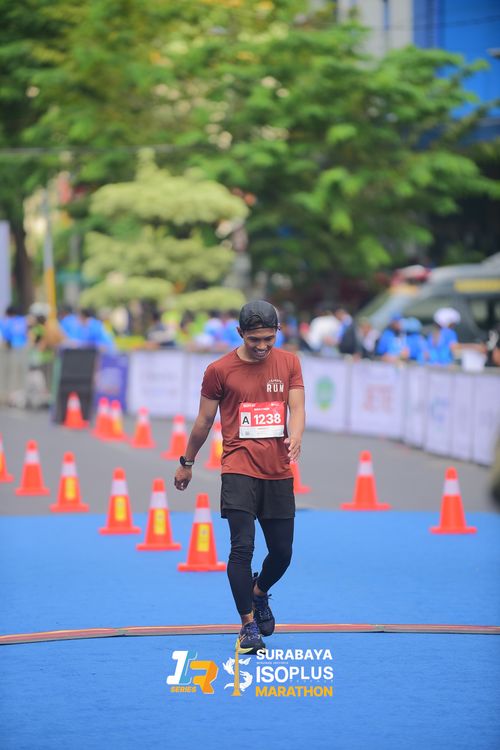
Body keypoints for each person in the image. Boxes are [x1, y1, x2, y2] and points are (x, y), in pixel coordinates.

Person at [174, 300, 305, 653]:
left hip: (278, 470)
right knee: (241, 548)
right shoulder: (219, 370)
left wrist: (296, 435)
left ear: (278, 332)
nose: (262, 346)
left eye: (268, 339)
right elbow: (204, 421)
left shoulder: (289, 363)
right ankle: (248, 625)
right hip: (238, 468)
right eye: (254, 339)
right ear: (240, 334)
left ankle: (259, 593)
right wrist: (187, 461)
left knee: (282, 552)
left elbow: (297, 407)